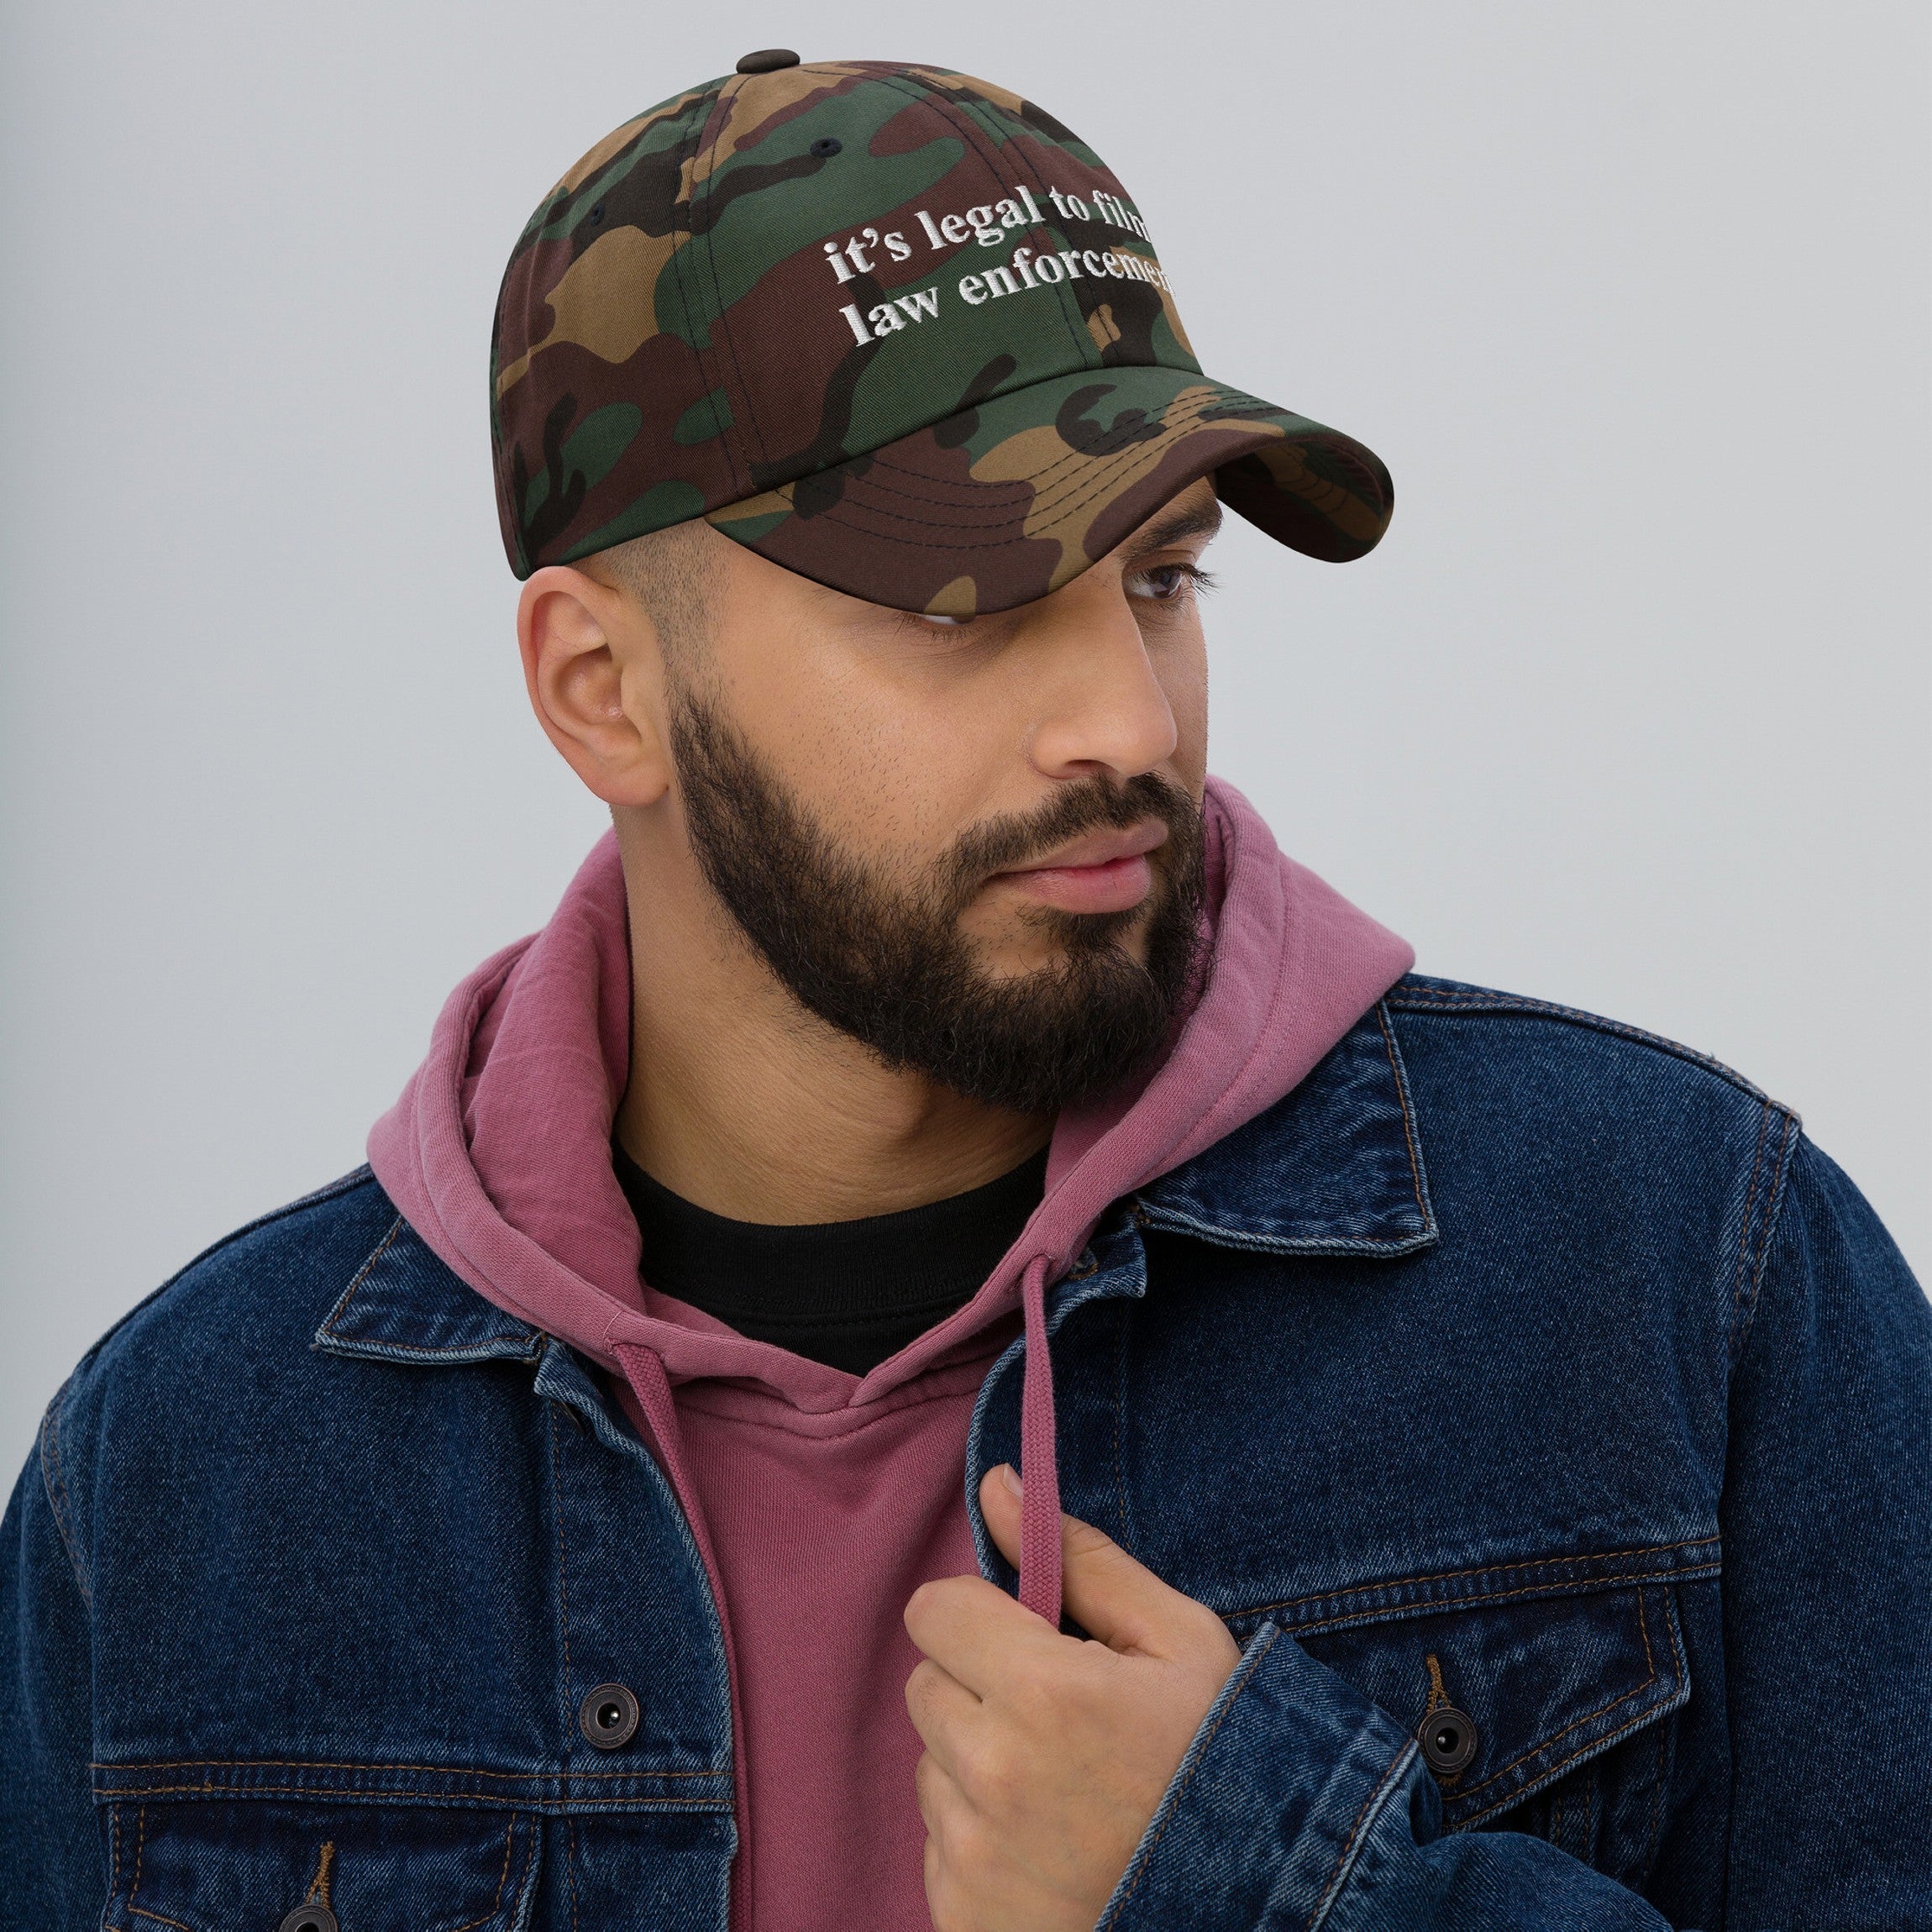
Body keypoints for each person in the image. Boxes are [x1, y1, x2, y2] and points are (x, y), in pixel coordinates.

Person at [2, 50, 1925, 1932]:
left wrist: (1271, 1886)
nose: (1127, 724)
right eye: (965, 606)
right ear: (603, 689)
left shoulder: (1678, 1271)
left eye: (1161, 579)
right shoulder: (179, 1477)